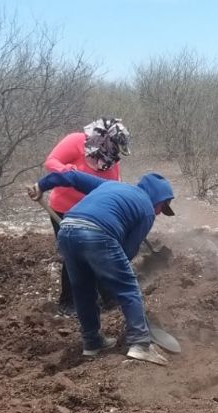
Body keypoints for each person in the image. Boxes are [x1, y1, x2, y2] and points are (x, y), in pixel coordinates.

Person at [27, 170, 175, 365]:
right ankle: (140, 343)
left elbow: (72, 176)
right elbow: (127, 251)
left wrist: (42, 185)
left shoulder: (109, 185)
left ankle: (92, 342)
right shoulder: (147, 209)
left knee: (82, 290)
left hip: (67, 230)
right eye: (161, 207)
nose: (158, 213)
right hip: (97, 234)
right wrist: (110, 273)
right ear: (158, 198)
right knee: (129, 287)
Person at [45, 118, 131, 316]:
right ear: (104, 140)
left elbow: (112, 188)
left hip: (91, 214)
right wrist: (67, 172)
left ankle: (109, 297)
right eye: (114, 146)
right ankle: (68, 302)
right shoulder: (75, 141)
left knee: (100, 250)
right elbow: (51, 162)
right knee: (73, 254)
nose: (116, 152)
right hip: (63, 209)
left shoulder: (111, 162)